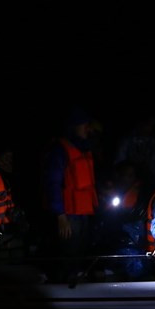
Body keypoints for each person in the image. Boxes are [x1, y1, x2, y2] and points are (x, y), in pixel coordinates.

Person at [41, 106, 99, 258]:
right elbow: (52, 183)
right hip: (68, 215)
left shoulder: (85, 149)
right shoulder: (60, 150)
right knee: (68, 256)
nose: (88, 128)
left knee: (81, 254)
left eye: (88, 124)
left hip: (84, 214)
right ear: (73, 126)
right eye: (83, 124)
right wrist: (60, 215)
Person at [113, 114, 155, 189]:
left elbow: (153, 164)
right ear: (141, 124)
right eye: (148, 125)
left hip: (143, 178)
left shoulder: (151, 142)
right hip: (127, 177)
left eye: (152, 126)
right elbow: (119, 160)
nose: (150, 128)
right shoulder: (127, 139)